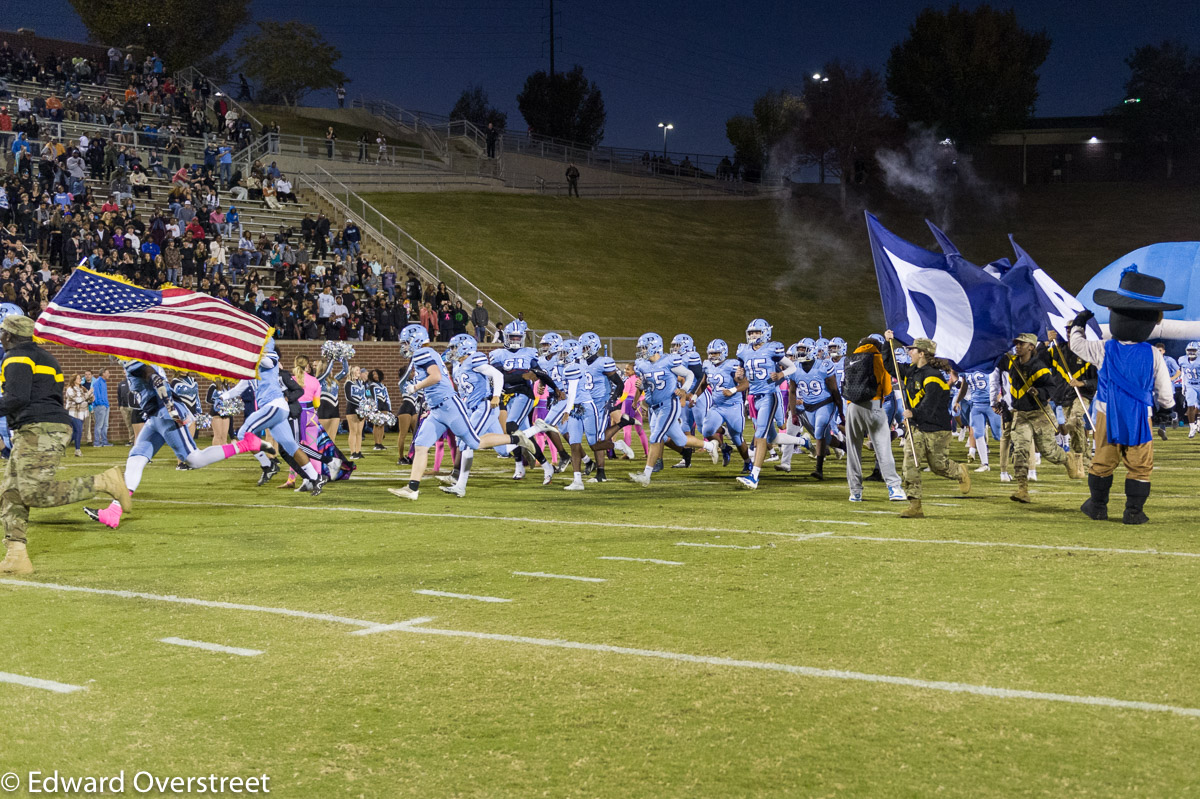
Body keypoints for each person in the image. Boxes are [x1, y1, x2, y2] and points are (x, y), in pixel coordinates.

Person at [0, 315, 130, 574]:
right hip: (46, 425)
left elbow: (16, 398)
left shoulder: (15, 357)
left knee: (32, 492)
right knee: (10, 491)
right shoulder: (47, 358)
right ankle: (16, 554)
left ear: (9, 336)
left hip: (39, 427)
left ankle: (102, 482)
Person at [85, 359, 279, 529]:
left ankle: (246, 444)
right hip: (155, 416)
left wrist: (170, 408)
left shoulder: (135, 362)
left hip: (164, 413)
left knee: (194, 459)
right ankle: (114, 511)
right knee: (135, 459)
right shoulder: (138, 359)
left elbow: (157, 380)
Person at [1070, 265, 1180, 524]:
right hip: (1141, 416)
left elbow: (1076, 345)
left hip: (1107, 414)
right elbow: (1165, 392)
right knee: (1140, 465)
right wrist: (1166, 409)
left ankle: (1098, 506)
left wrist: (1078, 323)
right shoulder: (1153, 354)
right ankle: (1133, 512)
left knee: (1103, 460)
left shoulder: (1104, 349)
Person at [389, 324, 538, 501]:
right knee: (421, 445)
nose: (404, 346)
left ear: (416, 340)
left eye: (406, 342)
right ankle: (412, 488)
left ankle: (516, 439)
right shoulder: (431, 355)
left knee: (473, 443)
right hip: (438, 409)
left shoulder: (423, 353)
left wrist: (416, 387)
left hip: (450, 407)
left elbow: (435, 376)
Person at [886, 333, 971, 518]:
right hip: (916, 427)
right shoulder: (912, 371)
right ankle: (915, 505)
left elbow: (930, 406)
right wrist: (888, 343)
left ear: (922, 353)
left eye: (913, 350)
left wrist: (913, 413)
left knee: (938, 466)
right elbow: (891, 366)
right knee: (910, 464)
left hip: (936, 429)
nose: (909, 353)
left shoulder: (933, 377)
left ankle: (959, 471)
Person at [996, 333, 1083, 503]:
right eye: (1016, 343)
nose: (1018, 346)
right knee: (1020, 449)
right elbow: (995, 360)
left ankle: (1067, 458)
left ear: (1031, 347)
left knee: (1048, 451)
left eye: (1022, 344)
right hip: (1020, 414)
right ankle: (1022, 488)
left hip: (1040, 413)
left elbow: (1051, 386)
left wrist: (1040, 392)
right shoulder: (1011, 362)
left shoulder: (1039, 367)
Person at [628, 333, 721, 486]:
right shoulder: (642, 365)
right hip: (655, 407)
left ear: (655, 347)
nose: (642, 351)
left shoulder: (668, 361)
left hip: (669, 405)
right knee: (680, 440)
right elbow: (650, 385)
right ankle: (710, 446)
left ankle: (646, 475)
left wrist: (684, 390)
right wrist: (642, 388)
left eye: (645, 347)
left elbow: (689, 374)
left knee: (655, 437)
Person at [841, 336, 905, 503]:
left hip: (852, 407)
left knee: (853, 450)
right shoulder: (879, 358)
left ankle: (855, 491)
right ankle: (894, 488)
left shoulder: (850, 358)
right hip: (874, 404)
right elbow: (887, 388)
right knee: (883, 448)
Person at [64, 374, 90, 456]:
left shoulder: (83, 388)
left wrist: (88, 395)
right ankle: (77, 450)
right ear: (74, 380)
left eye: (80, 378)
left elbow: (92, 398)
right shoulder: (70, 389)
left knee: (76, 432)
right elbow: (78, 400)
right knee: (78, 430)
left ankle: (62, 446)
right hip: (73, 412)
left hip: (82, 413)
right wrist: (87, 395)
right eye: (78, 378)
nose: (80, 379)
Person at [91, 369, 111, 447]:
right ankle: (96, 442)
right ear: (103, 373)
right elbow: (96, 395)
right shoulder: (97, 382)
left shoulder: (104, 382)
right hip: (100, 406)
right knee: (99, 425)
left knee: (105, 425)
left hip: (105, 405)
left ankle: (104, 442)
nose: (109, 374)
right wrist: (101, 403)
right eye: (108, 372)